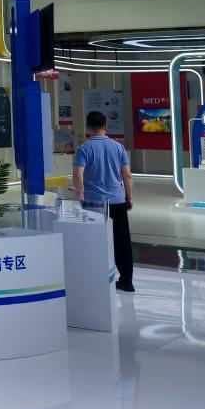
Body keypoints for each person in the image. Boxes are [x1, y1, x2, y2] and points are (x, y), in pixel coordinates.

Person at [73, 110, 135, 293]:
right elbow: (127, 174)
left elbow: (78, 175)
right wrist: (129, 197)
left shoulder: (84, 149)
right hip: (117, 201)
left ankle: (97, 277)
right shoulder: (118, 147)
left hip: (94, 203)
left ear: (87, 127)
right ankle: (126, 281)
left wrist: (80, 195)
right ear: (106, 126)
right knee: (122, 241)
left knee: (95, 241)